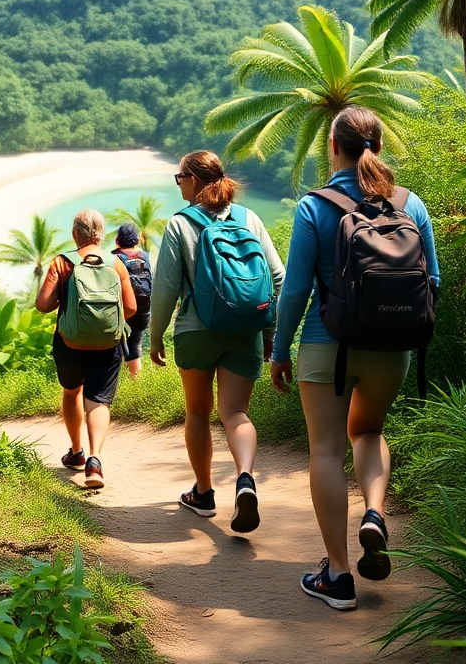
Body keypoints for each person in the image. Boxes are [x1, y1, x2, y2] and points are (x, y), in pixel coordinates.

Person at [271, 107, 439, 611]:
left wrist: (280, 351)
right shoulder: (411, 203)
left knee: (326, 450)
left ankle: (338, 576)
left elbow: (296, 289)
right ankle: (374, 512)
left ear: (333, 147)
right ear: (379, 147)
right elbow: (432, 284)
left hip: (327, 345)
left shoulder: (314, 206)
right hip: (394, 349)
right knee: (367, 433)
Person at [149, 150, 285, 533]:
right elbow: (278, 278)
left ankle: (204, 493)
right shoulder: (250, 218)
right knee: (236, 414)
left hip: (196, 330)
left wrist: (155, 336)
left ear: (192, 180)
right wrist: (271, 332)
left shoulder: (180, 224)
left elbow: (165, 289)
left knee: (197, 411)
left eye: (180, 178)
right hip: (245, 331)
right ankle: (244, 478)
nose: (178, 184)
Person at [36, 209, 137, 489]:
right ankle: (95, 460)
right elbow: (130, 308)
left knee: (72, 392)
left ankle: (76, 451)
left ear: (74, 234)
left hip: (69, 343)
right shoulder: (116, 264)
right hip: (107, 344)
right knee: (99, 400)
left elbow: (43, 305)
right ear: (101, 234)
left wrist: (69, 308)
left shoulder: (62, 263)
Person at [112, 223, 153, 378]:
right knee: (135, 345)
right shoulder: (147, 256)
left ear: (117, 240)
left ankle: (113, 385)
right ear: (137, 240)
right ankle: (136, 382)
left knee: (114, 349)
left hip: (122, 311)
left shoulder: (114, 259)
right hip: (143, 311)